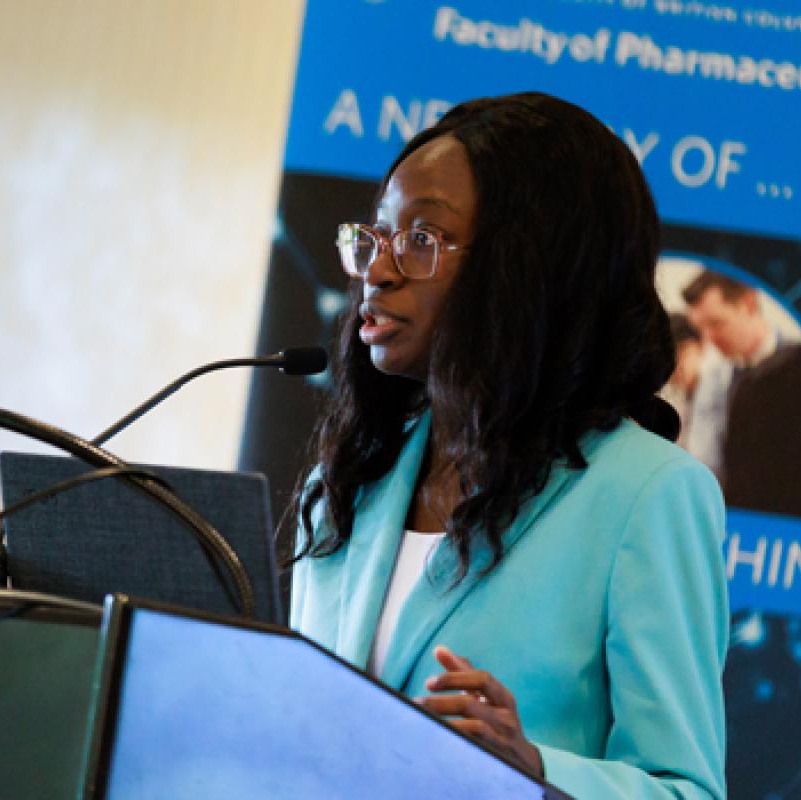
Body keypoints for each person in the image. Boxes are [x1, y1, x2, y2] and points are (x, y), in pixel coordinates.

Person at [288, 93, 727, 799]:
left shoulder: (646, 494)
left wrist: (537, 771)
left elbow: (687, 789)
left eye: (422, 239)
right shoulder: (343, 486)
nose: (378, 270)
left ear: (531, 266)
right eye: (376, 237)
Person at [683, 271, 801, 517]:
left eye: (716, 324)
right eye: (701, 330)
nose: (709, 340)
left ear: (749, 303)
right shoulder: (713, 381)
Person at [662, 314, 706, 444]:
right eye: (669, 356)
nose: (677, 364)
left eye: (683, 351)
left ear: (701, 346)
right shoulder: (667, 401)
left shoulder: (721, 390)